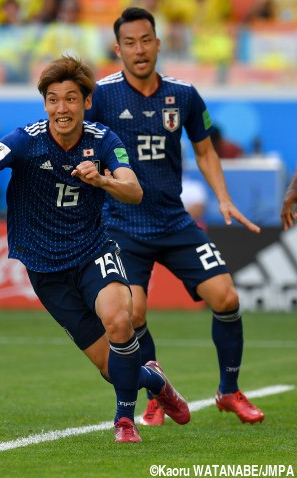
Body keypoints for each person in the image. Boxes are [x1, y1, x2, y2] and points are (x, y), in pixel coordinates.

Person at [0, 55, 190, 443]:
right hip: (45, 267)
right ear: (45, 104)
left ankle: (124, 421)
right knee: (112, 367)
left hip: (93, 250)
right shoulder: (26, 139)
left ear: (86, 103)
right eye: (53, 99)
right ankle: (155, 381)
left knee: (119, 320)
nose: (62, 108)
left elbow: (134, 190)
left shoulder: (104, 141)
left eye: (71, 99)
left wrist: (103, 180)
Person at [86, 7, 264, 426]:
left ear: (158, 44)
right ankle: (157, 391)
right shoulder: (103, 96)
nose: (139, 49)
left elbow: (204, 149)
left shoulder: (183, 94)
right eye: (129, 43)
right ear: (118, 49)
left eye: (146, 40)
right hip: (122, 226)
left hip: (173, 220)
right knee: (133, 313)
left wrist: (223, 198)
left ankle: (229, 391)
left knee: (227, 297)